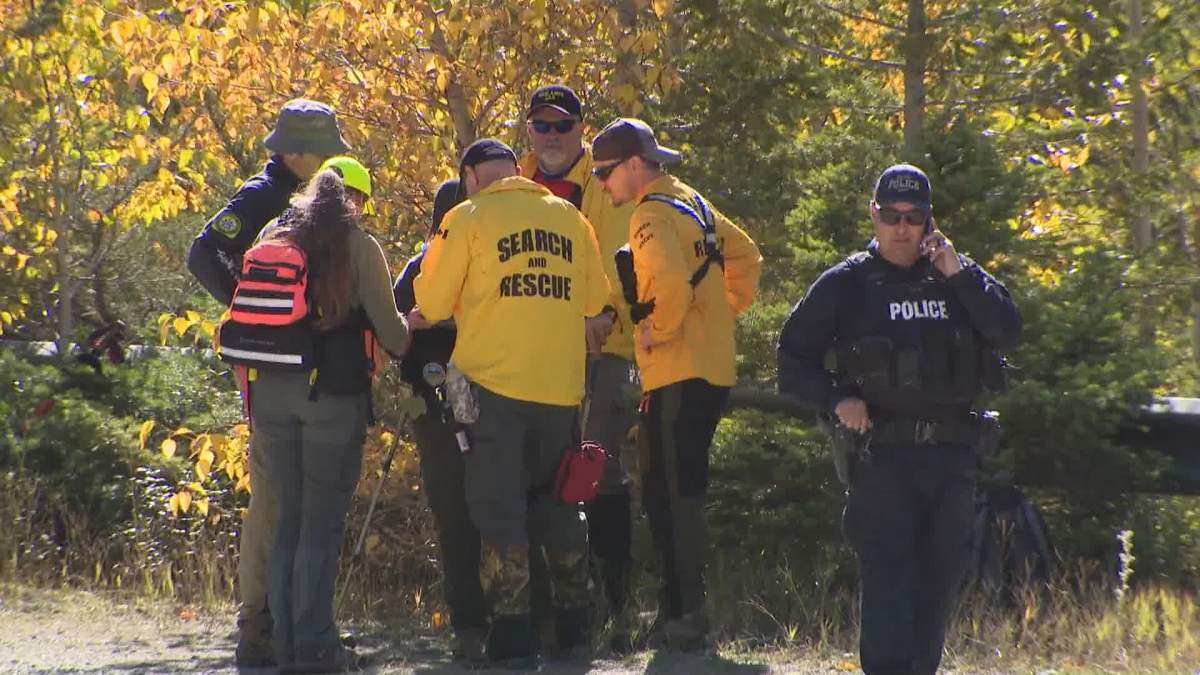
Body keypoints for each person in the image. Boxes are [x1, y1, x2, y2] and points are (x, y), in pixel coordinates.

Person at [776, 164, 1022, 675]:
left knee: (938, 584)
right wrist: (837, 399)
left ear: (930, 219)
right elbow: (792, 359)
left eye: (914, 217)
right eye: (891, 216)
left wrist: (959, 273)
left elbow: (1007, 331)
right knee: (889, 582)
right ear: (874, 215)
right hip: (881, 457)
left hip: (952, 458)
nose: (903, 227)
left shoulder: (956, 275)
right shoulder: (849, 283)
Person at [413, 138, 609, 665]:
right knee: (562, 505)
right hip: (561, 391)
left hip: (491, 391)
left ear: (470, 177)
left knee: (499, 510)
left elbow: (429, 302)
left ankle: (513, 637)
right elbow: (595, 301)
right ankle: (573, 631)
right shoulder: (571, 218)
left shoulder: (466, 217)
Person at [186, 98, 349, 667]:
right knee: (275, 497)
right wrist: (256, 315)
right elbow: (204, 252)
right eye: (325, 150)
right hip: (267, 370)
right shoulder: (264, 196)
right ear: (299, 152)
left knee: (290, 494)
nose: (330, 162)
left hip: (288, 370)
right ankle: (258, 624)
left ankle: (289, 620)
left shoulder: (295, 196)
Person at [590, 118, 763, 649]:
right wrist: (718, 316)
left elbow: (666, 286)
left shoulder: (647, 215)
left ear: (635, 165)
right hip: (707, 367)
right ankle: (679, 613)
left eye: (605, 172)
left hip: (678, 371)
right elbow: (747, 257)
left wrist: (654, 334)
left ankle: (685, 616)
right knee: (678, 487)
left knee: (671, 494)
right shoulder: (690, 200)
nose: (601, 183)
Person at [247, 159, 410, 672]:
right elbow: (395, 336)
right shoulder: (358, 246)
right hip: (330, 399)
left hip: (270, 393)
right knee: (319, 526)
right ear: (355, 200)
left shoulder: (275, 231)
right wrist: (413, 325)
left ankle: (285, 644)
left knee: (287, 522)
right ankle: (316, 645)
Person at [517, 83, 639, 646]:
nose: (550, 137)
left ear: (579, 131)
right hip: (535, 356)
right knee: (542, 479)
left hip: (602, 351)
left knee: (597, 473)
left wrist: (606, 316)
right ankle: (555, 611)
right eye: (540, 126)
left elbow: (619, 265)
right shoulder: (515, 185)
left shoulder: (604, 181)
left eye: (561, 126)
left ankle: (617, 608)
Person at [391, 178, 488, 660]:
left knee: (468, 514)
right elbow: (396, 327)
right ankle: (471, 624)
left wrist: (432, 319)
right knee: (461, 513)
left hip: (460, 400)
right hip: (445, 400)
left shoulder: (432, 264)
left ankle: (479, 623)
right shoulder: (427, 265)